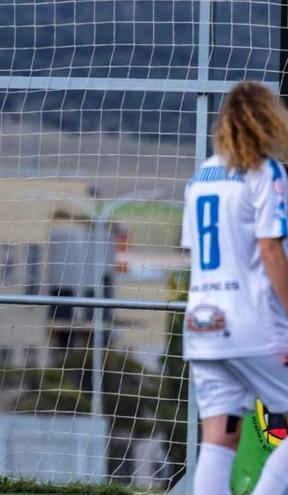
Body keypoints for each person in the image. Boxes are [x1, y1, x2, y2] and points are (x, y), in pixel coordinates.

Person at [181, 81, 288, 494]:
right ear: (268, 119)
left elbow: (194, 254)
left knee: (219, 440)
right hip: (253, 325)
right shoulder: (267, 173)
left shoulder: (200, 178)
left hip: (203, 326)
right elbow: (271, 251)